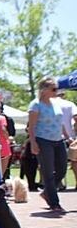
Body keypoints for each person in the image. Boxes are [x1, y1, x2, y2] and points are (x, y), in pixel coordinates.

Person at [28, 77, 72, 212]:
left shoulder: (56, 103)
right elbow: (32, 126)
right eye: (54, 89)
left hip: (58, 140)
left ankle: (47, 191)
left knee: (62, 169)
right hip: (43, 140)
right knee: (48, 172)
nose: (56, 91)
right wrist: (33, 143)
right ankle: (54, 203)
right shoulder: (35, 105)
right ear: (44, 90)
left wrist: (67, 136)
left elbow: (61, 121)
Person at [55, 90, 77, 188]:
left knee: (55, 161)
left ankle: (58, 183)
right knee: (74, 160)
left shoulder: (49, 105)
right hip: (71, 137)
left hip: (54, 136)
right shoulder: (70, 104)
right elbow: (76, 117)